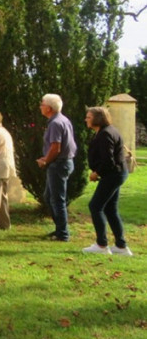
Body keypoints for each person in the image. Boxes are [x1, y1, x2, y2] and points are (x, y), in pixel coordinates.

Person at [82, 107, 134, 255]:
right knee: (110, 208)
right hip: (116, 174)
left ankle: (102, 245)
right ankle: (121, 247)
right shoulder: (107, 131)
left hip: (113, 174)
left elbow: (108, 161)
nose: (86, 119)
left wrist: (96, 173)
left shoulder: (105, 134)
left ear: (98, 119)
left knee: (95, 206)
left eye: (89, 117)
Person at [36, 93, 77, 242]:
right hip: (63, 162)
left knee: (57, 200)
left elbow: (56, 147)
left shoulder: (55, 123)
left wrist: (45, 160)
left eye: (42, 104)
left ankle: (63, 234)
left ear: (49, 108)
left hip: (59, 164)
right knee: (49, 197)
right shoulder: (63, 120)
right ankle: (59, 229)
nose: (40, 107)